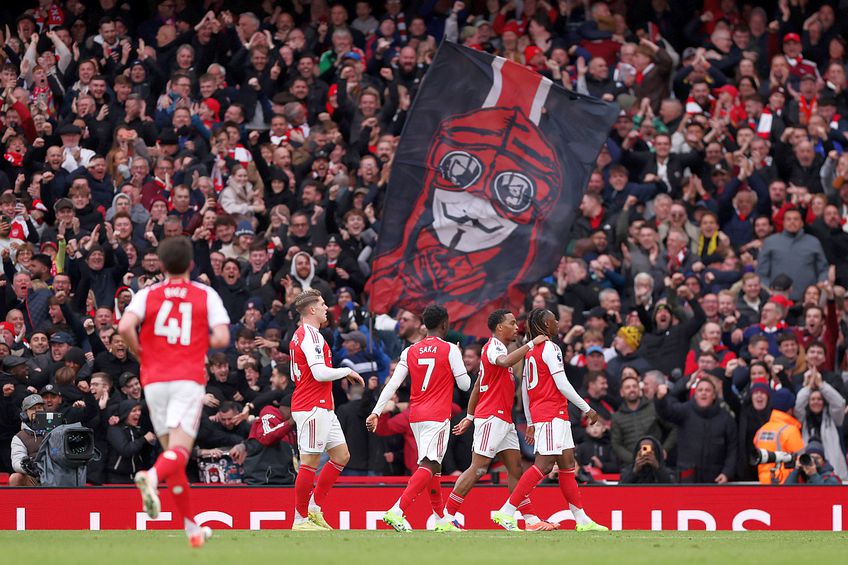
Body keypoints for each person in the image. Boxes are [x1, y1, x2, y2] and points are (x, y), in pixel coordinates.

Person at [118, 236, 231, 548]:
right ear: (192, 264)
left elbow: (124, 328)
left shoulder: (148, 293)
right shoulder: (204, 294)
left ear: (163, 265)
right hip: (187, 378)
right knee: (180, 450)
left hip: (153, 380)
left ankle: (192, 529)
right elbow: (221, 338)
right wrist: (196, 342)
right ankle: (151, 478)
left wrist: (143, 355)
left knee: (175, 457)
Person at [490, 308, 607, 532]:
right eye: (554, 320)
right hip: (551, 412)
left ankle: (581, 519)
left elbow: (524, 388)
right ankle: (507, 510)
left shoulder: (531, 352)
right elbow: (561, 384)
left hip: (550, 414)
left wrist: (531, 421)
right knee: (544, 465)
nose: (558, 323)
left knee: (567, 465)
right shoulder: (551, 348)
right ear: (545, 325)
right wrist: (587, 408)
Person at [445, 309, 557, 531]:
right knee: (478, 469)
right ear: (499, 328)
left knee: (515, 470)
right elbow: (505, 362)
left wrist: (469, 416)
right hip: (491, 418)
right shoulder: (494, 346)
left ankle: (531, 520)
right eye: (512, 323)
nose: (517, 327)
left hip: (504, 420)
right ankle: (446, 516)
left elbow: (478, 386)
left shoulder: (496, 351)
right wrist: (532, 344)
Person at [366, 304, 471, 532]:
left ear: (425, 325)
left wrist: (376, 410)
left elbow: (392, 383)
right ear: (445, 324)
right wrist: (458, 360)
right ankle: (397, 510)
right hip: (437, 415)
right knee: (430, 464)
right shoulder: (450, 349)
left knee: (434, 467)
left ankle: (440, 518)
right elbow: (465, 384)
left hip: (415, 416)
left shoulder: (409, 351)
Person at [288, 289, 365, 531]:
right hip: (312, 406)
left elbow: (294, 374)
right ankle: (300, 519)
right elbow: (319, 372)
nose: (326, 308)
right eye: (322, 304)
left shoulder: (300, 336)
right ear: (311, 310)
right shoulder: (311, 336)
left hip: (322, 406)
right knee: (309, 461)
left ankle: (313, 509)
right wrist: (346, 371)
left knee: (341, 455)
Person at [753, 388, 805, 485]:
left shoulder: (761, 430)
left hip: (764, 482)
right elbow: (801, 459)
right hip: (785, 483)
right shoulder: (791, 431)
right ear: (790, 409)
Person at [9, 394, 46, 486]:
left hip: (57, 475)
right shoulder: (19, 437)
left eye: (40, 408)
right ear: (24, 414)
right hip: (35, 478)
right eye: (33, 408)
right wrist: (27, 466)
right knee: (15, 478)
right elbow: (16, 460)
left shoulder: (57, 431)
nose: (37, 411)